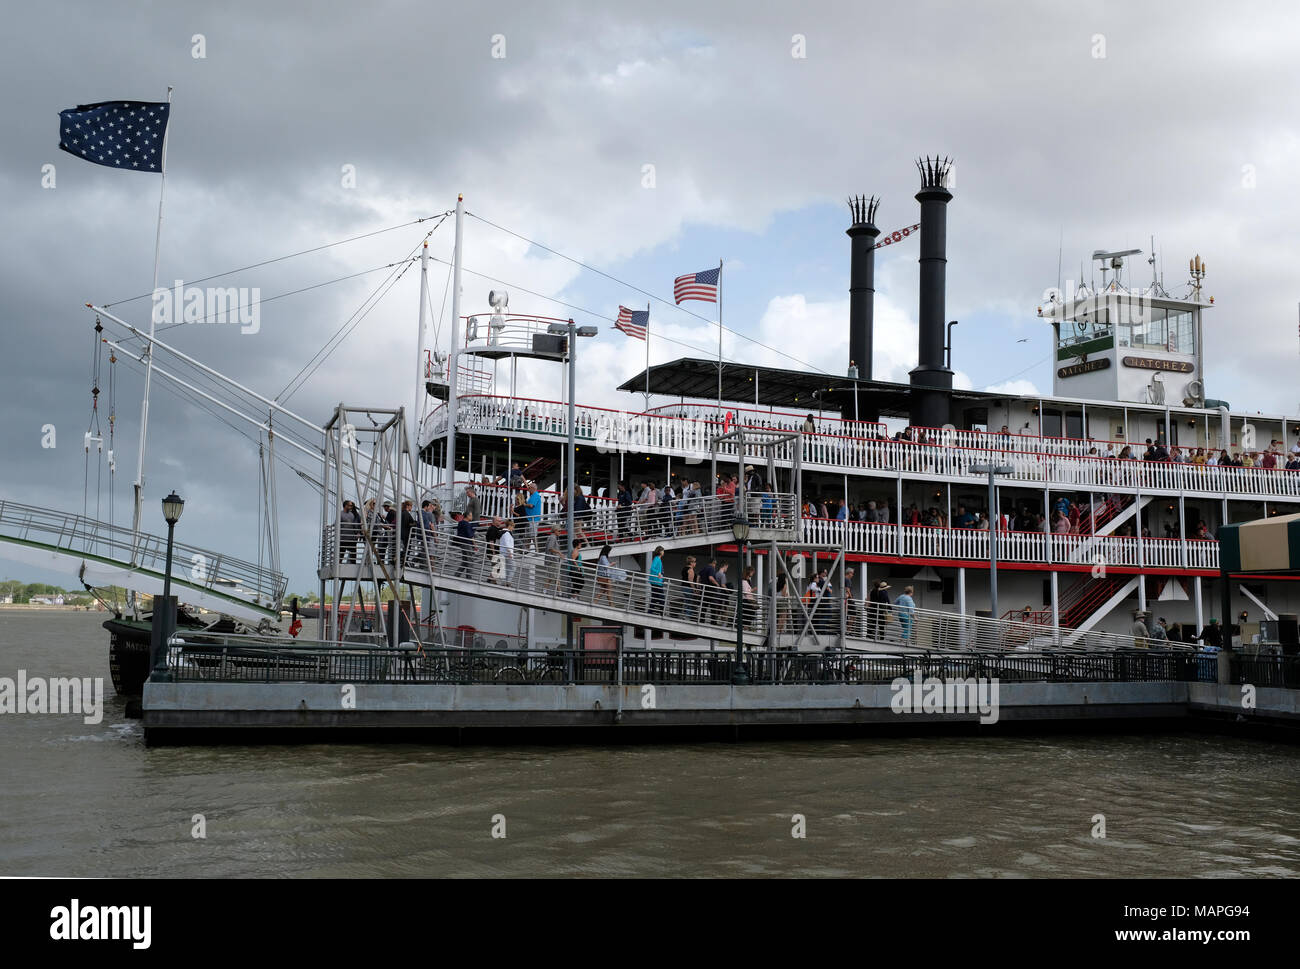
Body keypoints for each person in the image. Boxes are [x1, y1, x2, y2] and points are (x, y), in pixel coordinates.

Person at [648, 546, 666, 615]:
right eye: (663, 551)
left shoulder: (658, 558)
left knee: (655, 598)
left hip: (657, 581)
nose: (663, 552)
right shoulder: (657, 558)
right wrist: (658, 573)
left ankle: (650, 612)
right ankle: (661, 614)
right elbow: (652, 568)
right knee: (662, 599)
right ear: (660, 551)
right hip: (656, 581)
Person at [499, 519, 516, 587]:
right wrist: (509, 552)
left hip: (505, 553)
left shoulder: (504, 533)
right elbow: (507, 543)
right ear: (509, 526)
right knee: (513, 567)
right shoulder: (506, 533)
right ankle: (508, 582)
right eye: (512, 526)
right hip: (507, 554)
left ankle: (505, 582)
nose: (513, 528)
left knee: (507, 568)